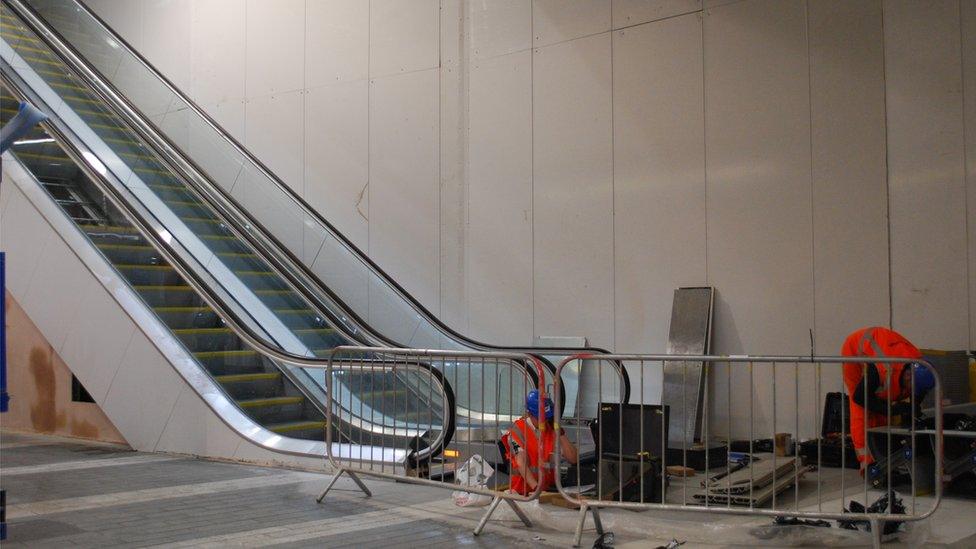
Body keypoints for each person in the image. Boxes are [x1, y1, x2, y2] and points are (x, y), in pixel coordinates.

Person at [841, 326, 936, 472]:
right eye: (910, 388)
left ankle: (884, 454)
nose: (910, 392)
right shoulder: (882, 369)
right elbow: (860, 397)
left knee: (882, 404)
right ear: (908, 375)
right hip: (854, 350)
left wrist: (912, 409)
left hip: (883, 349)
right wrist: (891, 410)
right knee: (862, 408)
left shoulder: (921, 368)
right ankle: (868, 463)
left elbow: (916, 395)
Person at [505, 390, 578, 495]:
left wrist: (559, 431)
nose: (544, 421)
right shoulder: (516, 431)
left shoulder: (551, 430)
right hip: (522, 494)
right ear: (529, 414)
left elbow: (573, 458)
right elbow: (521, 463)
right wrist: (537, 489)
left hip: (547, 492)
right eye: (540, 418)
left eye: (546, 417)